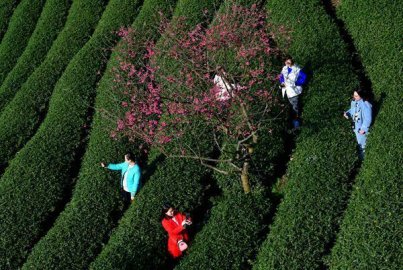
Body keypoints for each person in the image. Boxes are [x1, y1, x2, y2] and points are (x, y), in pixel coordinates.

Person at [344, 89, 372, 160]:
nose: (354, 97)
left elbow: (368, 118)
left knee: (363, 146)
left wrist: (363, 129)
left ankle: (364, 162)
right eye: (354, 95)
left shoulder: (365, 104)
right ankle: (362, 160)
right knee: (359, 145)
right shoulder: (354, 102)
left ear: (361, 95)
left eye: (356, 95)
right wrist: (347, 113)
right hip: (356, 127)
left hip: (361, 129)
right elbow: (353, 110)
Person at [279, 56, 306, 127]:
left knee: (295, 108)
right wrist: (282, 83)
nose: (287, 62)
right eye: (285, 61)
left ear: (291, 60)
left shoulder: (297, 69)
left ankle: (297, 125)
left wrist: (296, 83)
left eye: (288, 60)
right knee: (289, 108)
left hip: (294, 92)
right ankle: (291, 122)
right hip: (286, 92)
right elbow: (281, 77)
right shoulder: (284, 68)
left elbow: (303, 77)